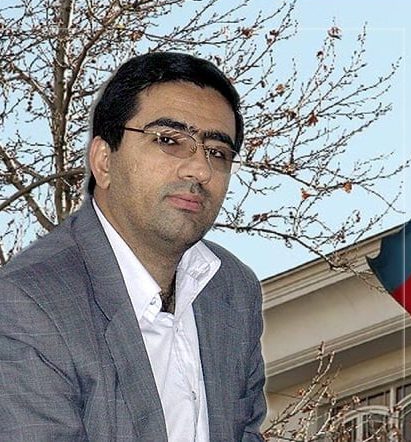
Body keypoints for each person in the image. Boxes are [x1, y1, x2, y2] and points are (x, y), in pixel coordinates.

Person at [0, 52, 266, 441]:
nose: (200, 169)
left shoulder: (232, 291)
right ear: (103, 161)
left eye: (217, 152)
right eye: (169, 140)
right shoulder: (28, 304)